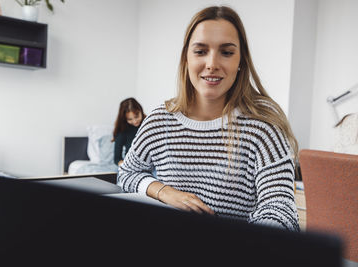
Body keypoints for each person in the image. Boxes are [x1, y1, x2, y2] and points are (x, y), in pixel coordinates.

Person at [117, 6, 300, 231]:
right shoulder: (160, 120)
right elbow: (127, 173)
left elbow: (280, 209)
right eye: (201, 51)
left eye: (226, 52)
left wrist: (249, 245)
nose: (212, 64)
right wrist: (164, 192)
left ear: (240, 60)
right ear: (186, 58)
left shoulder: (263, 126)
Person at [112, 97, 146, 166]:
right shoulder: (122, 131)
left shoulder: (148, 124)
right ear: (124, 118)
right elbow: (117, 159)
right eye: (130, 119)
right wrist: (125, 166)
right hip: (130, 165)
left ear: (141, 111)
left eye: (136, 116)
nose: (134, 121)